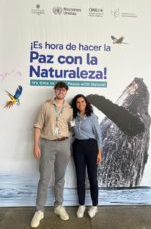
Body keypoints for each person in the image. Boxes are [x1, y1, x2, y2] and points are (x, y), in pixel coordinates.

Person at [31, 81, 73, 228]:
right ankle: (39, 211)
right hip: (47, 144)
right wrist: (36, 145)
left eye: (64, 89)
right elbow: (37, 126)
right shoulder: (46, 105)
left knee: (60, 177)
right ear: (55, 91)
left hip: (64, 144)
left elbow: (72, 126)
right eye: (59, 89)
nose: (61, 91)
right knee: (44, 178)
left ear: (66, 92)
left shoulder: (69, 109)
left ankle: (58, 206)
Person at [71, 94, 103, 219]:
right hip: (78, 147)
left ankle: (94, 206)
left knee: (92, 178)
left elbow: (99, 136)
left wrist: (99, 152)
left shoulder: (92, 117)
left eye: (82, 101)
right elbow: (72, 131)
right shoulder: (74, 117)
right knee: (80, 177)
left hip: (91, 147)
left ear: (86, 103)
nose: (80, 104)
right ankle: (82, 205)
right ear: (76, 104)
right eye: (78, 102)